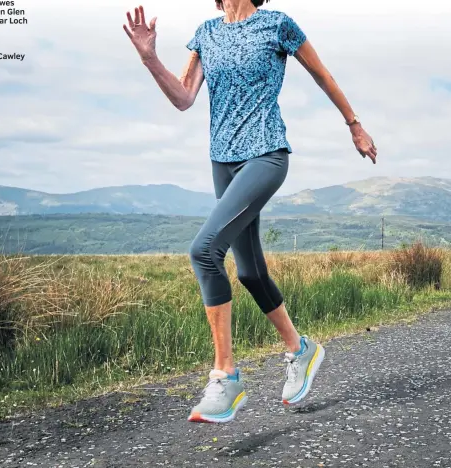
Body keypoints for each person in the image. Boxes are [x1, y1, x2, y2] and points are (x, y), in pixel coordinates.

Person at [123, 0, 377, 424]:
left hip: (265, 154)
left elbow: (322, 75)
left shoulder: (278, 24)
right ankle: (300, 349)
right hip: (222, 161)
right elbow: (184, 97)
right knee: (249, 272)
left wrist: (354, 123)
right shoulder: (206, 32)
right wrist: (150, 58)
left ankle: (225, 375)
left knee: (204, 251)